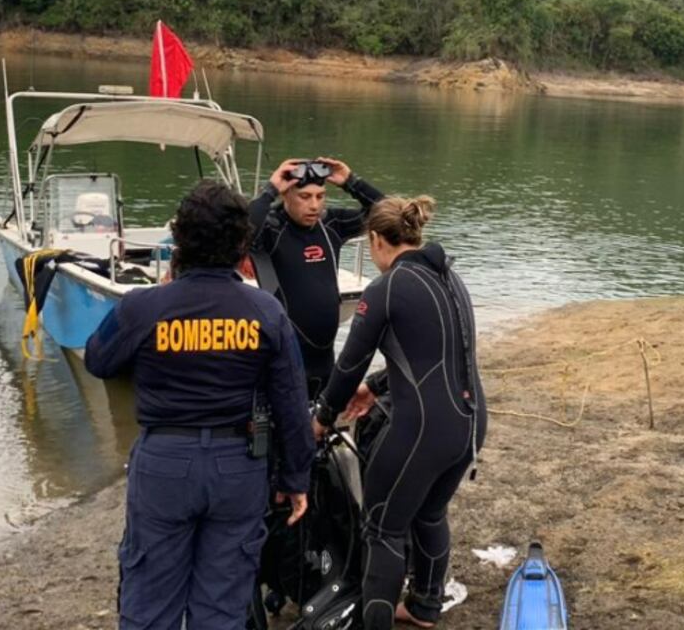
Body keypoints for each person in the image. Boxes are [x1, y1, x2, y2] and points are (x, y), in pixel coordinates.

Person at [85, 181, 315, 629]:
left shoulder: (143, 307)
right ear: (241, 244)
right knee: (223, 601)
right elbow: (291, 400)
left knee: (150, 596)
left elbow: (98, 360)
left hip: (164, 463)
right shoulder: (265, 311)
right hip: (238, 465)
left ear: (179, 240)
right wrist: (295, 477)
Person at [311, 196, 486, 630]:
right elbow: (438, 357)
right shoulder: (452, 278)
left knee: (383, 527)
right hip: (470, 424)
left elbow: (348, 364)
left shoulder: (385, 289)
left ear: (375, 239)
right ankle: (425, 606)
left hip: (423, 429)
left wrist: (321, 418)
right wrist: (377, 386)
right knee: (429, 512)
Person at [250, 156, 384, 397]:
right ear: (286, 195)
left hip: (325, 362)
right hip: (284, 360)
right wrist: (270, 189)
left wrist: (351, 182)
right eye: (305, 197)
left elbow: (387, 213)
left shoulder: (331, 223)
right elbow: (240, 231)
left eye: (320, 196)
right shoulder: (270, 228)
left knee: (320, 432)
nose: (314, 205)